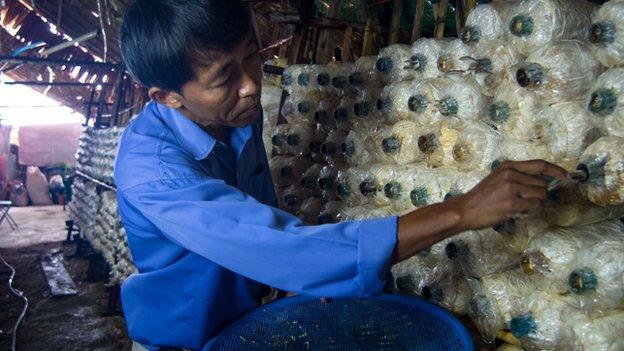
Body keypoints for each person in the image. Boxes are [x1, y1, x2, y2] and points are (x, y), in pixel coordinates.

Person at [115, 1, 568, 350]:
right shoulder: (153, 174)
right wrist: (462, 210)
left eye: (251, 59)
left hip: (244, 319)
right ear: (169, 97)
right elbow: (280, 247)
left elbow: (262, 214)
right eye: (223, 78)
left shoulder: (235, 113)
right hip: (183, 339)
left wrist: (308, 281)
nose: (251, 85)